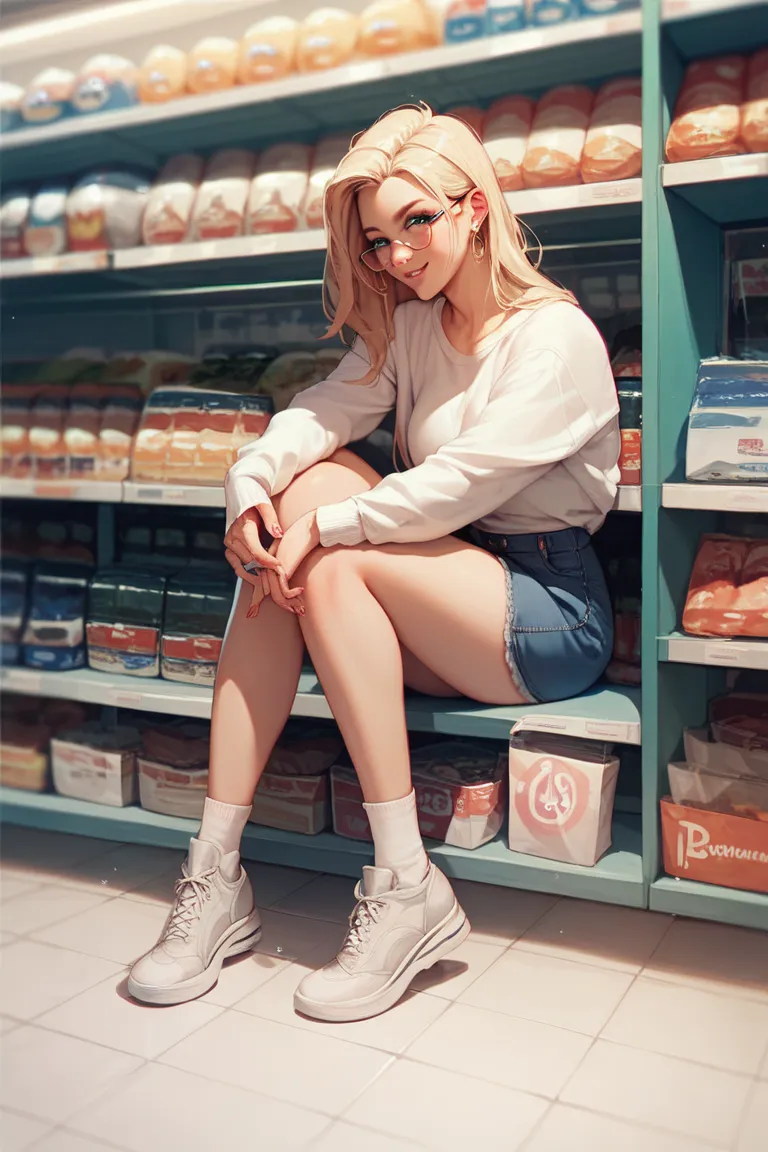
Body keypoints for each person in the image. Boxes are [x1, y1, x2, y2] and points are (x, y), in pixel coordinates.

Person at [128, 102, 620, 1020]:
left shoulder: (554, 339)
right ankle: (214, 873)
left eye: (416, 223)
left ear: (475, 207)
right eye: (378, 239)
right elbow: (321, 409)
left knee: (334, 549)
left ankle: (405, 888)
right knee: (302, 494)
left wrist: (334, 527)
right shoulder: (413, 327)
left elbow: (463, 484)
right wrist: (250, 486)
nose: (396, 256)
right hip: (448, 581)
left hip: (547, 607)